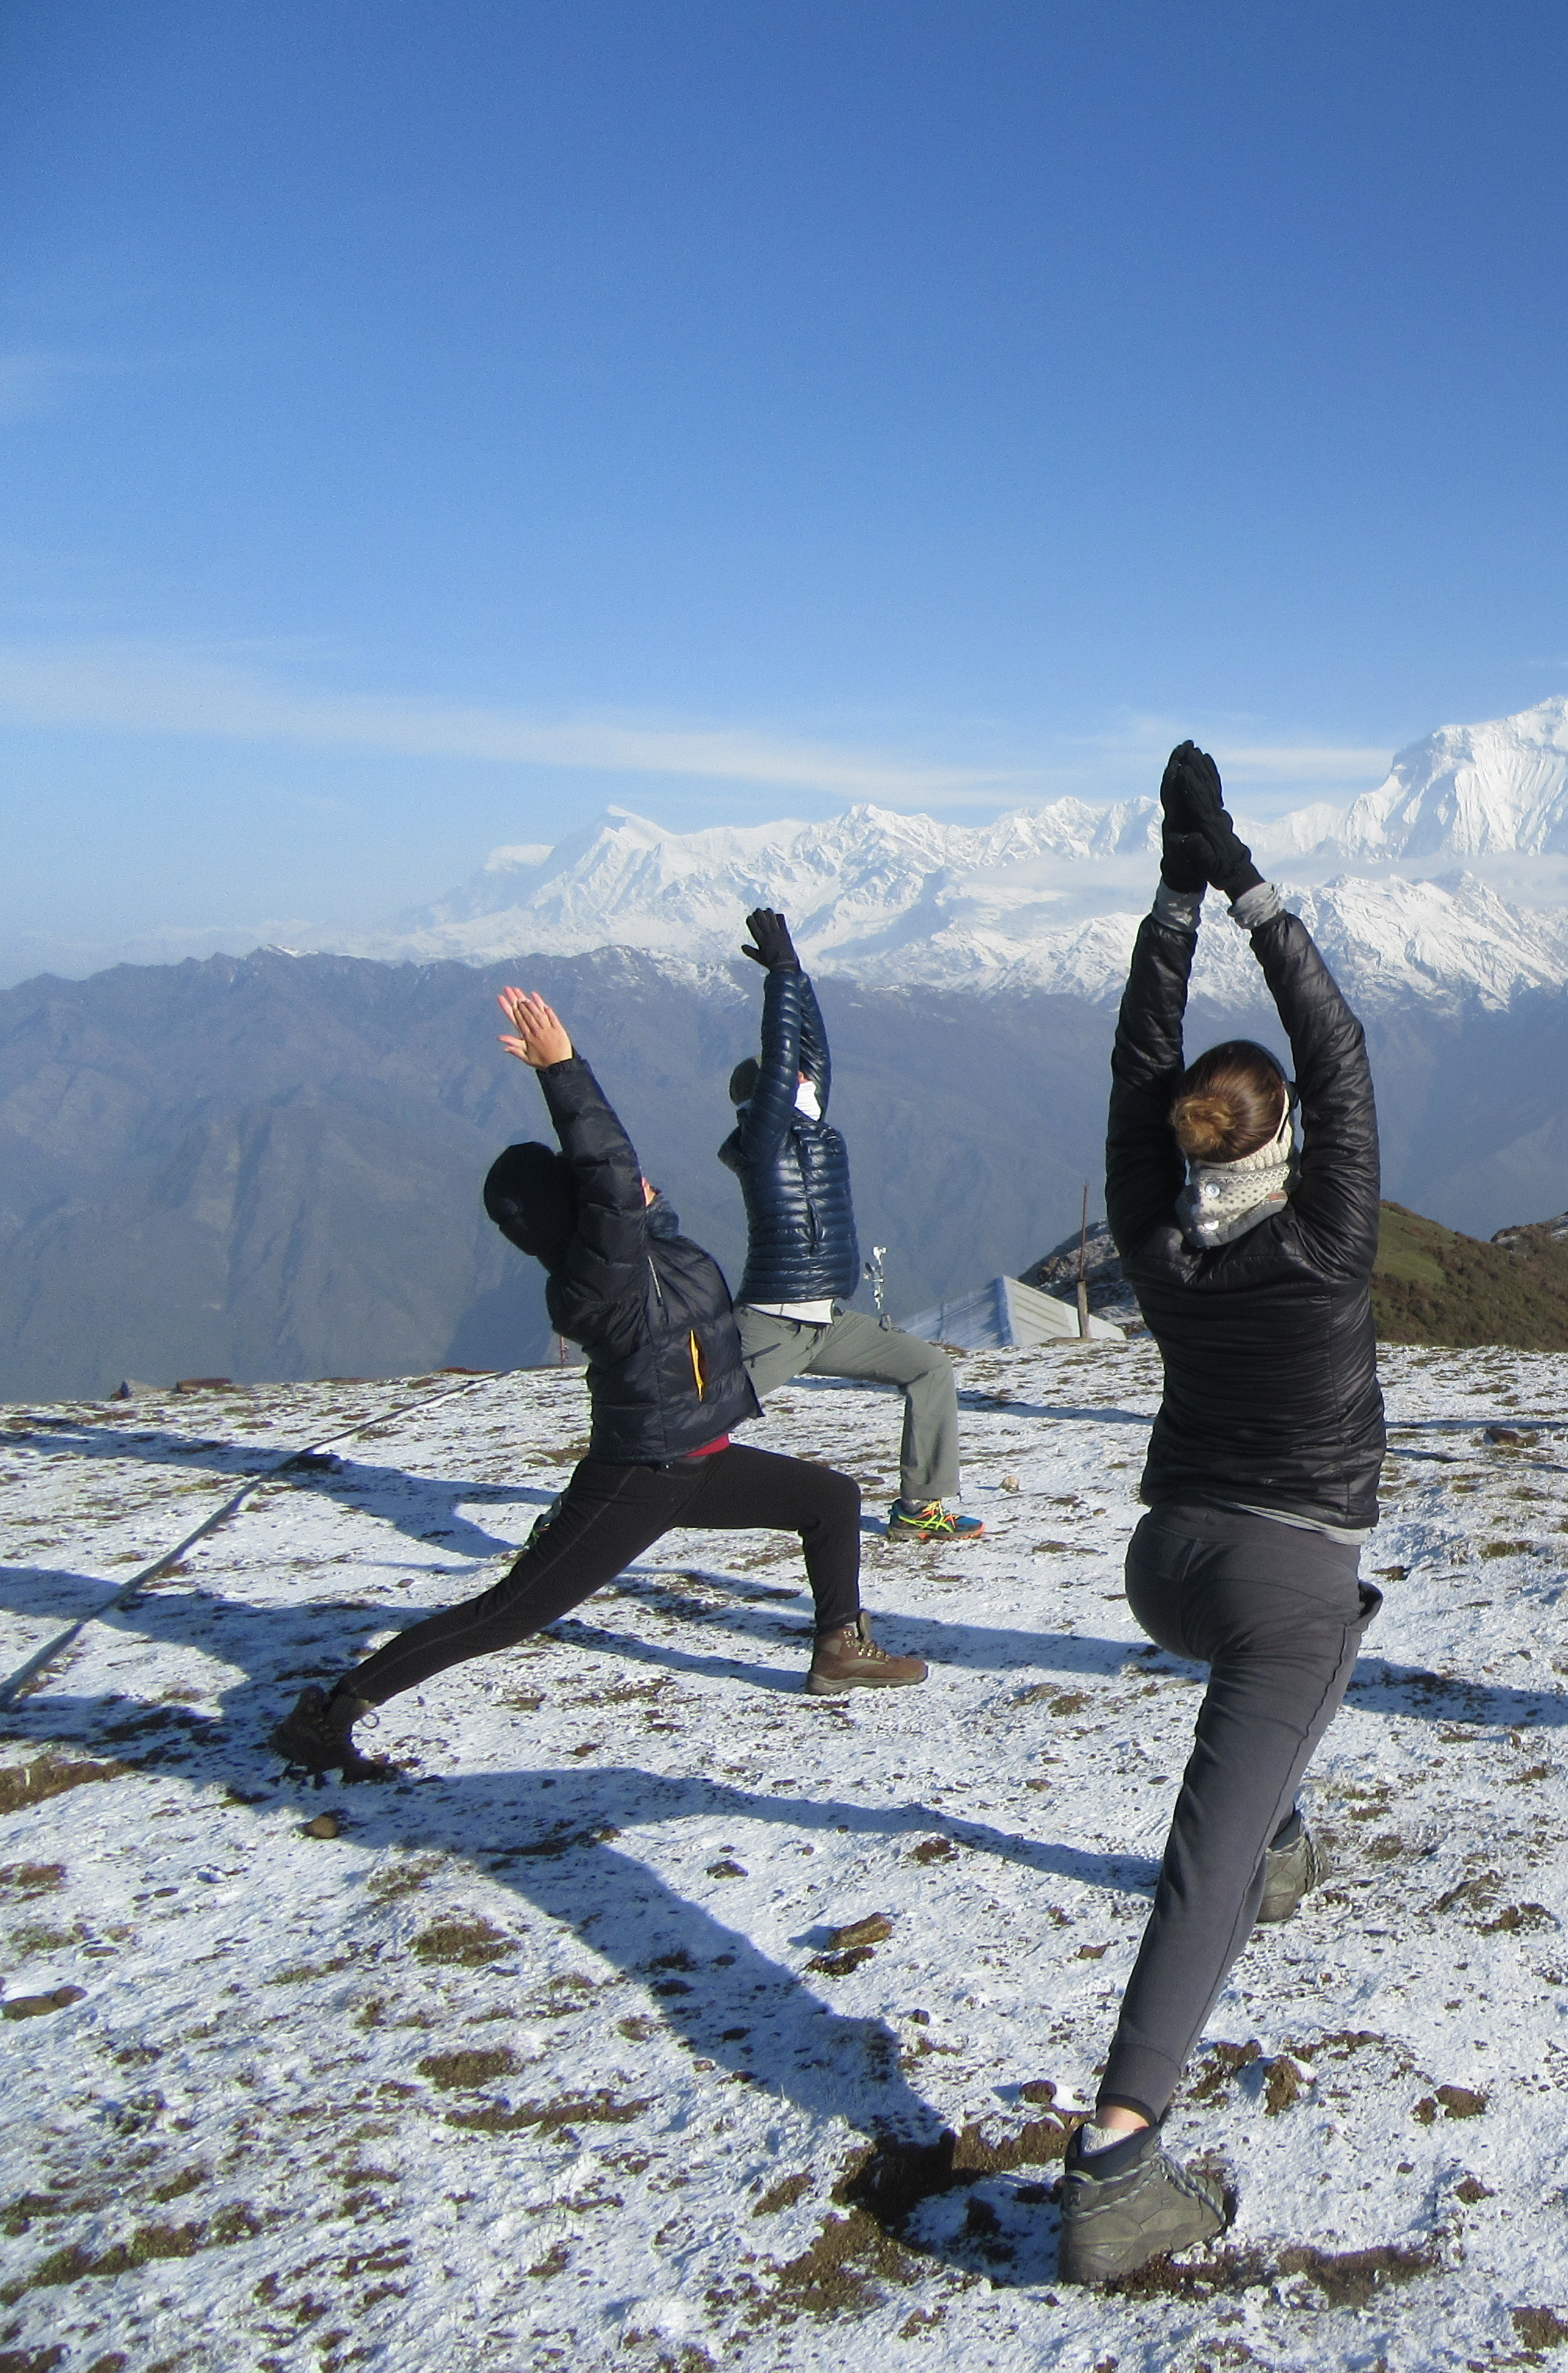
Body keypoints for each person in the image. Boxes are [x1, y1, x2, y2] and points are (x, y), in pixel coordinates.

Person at [269, 989, 925, 1780]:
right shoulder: (597, 1278)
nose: (634, 1181)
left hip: (700, 1460)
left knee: (831, 1500)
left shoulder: (643, 1252)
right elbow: (608, 1169)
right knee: (507, 1614)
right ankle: (328, 1716)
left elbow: (632, 1193)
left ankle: (838, 1651)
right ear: (578, 1210)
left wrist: (645, 1201)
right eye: (605, 1191)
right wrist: (562, 1071)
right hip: (640, 1478)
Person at [1055, 743, 1387, 2285]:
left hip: (1163, 1562)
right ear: (1283, 1138)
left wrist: (1169, 902)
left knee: (1323, 1637)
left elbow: (1139, 1075)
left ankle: (1284, 1828)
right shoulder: (1326, 1233)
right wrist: (1239, 878)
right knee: (1209, 1856)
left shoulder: (1151, 1238)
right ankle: (1119, 2152)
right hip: (1274, 1581)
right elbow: (1345, 1051)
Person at [721, 906, 983, 1543]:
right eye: (794, 1080)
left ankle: (922, 1508)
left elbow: (811, 1055)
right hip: (771, 1327)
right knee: (682, 1426)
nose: (809, 1079)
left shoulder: (811, 1133)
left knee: (928, 1368)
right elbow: (785, 1059)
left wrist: (799, 978)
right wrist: (779, 976)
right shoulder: (761, 1144)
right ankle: (572, 1520)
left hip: (826, 1324)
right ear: (772, 1096)